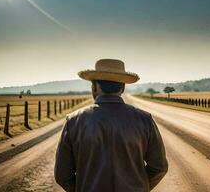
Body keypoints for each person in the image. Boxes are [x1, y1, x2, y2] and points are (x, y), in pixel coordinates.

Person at [54, 59, 168, 192]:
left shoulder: (73, 121)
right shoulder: (144, 119)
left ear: (94, 87)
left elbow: (62, 176)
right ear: (123, 87)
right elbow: (159, 167)